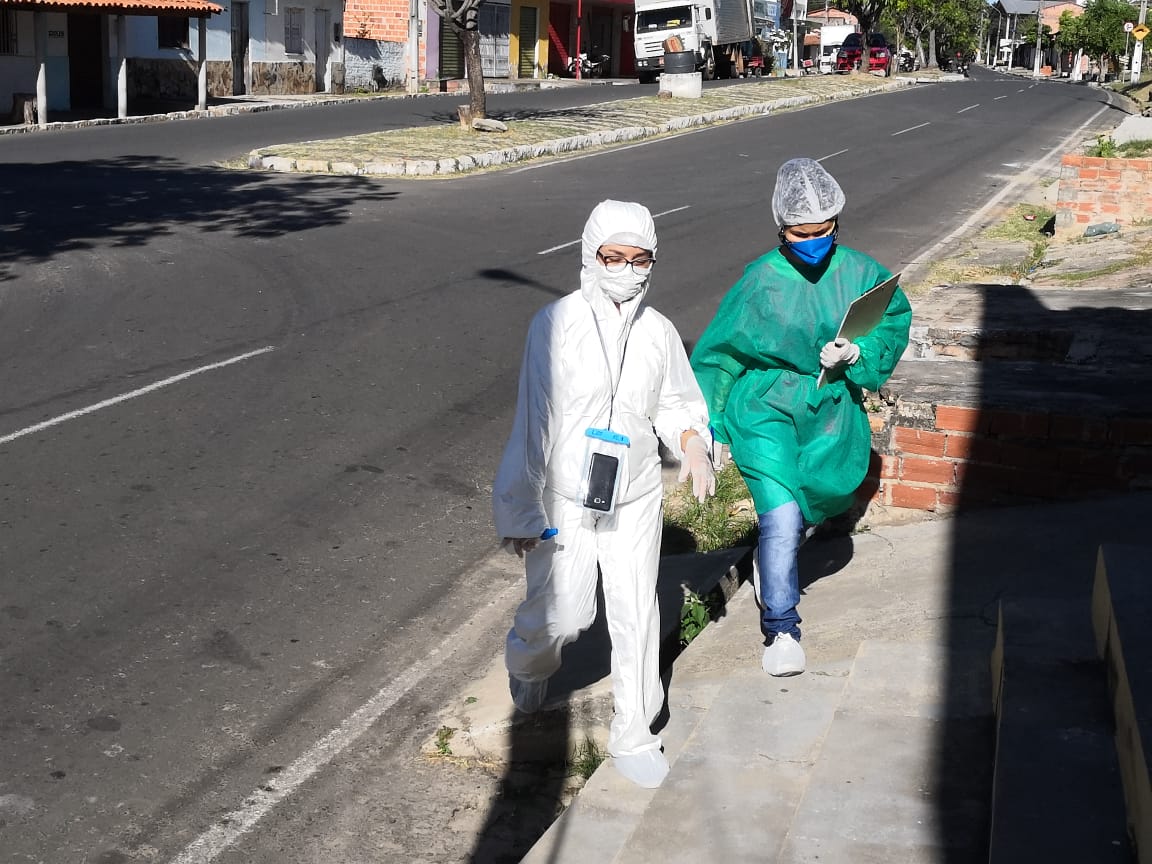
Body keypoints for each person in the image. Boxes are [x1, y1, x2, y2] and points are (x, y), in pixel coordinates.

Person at [493, 199, 716, 789]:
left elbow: (675, 402)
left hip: (636, 493)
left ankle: (635, 730)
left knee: (636, 608)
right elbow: (534, 419)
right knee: (564, 615)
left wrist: (693, 444)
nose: (626, 270)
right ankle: (529, 661)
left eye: (639, 259)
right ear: (588, 255)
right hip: (564, 495)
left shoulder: (658, 331)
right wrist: (519, 507)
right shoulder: (556, 323)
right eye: (612, 257)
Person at [690, 158, 911, 677]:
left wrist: (858, 354)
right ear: (780, 228)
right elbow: (720, 353)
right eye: (799, 233)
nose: (812, 241)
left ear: (837, 224)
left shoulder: (861, 272)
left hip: (829, 405)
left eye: (823, 231)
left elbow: (894, 319)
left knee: (825, 494)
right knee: (781, 513)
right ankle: (782, 627)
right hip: (764, 404)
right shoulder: (761, 279)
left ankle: (777, 557)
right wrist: (710, 425)